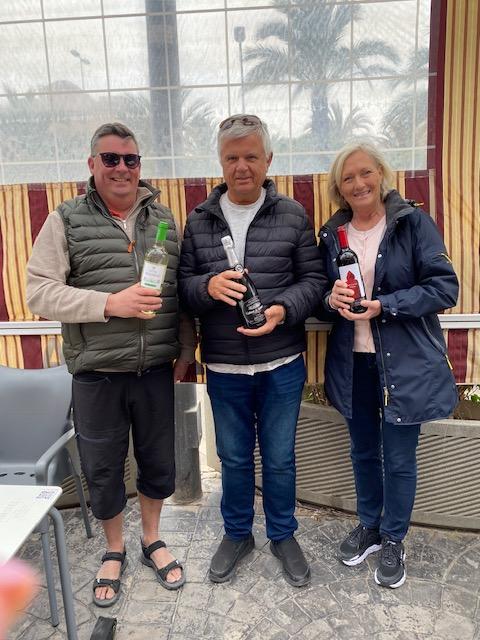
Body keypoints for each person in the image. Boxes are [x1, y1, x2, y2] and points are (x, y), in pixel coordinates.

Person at [26, 122, 196, 606]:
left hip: (155, 369)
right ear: (92, 164)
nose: (122, 167)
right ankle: (115, 547)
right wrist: (108, 304)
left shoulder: (163, 219)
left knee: (158, 460)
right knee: (103, 467)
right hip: (97, 373)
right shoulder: (65, 219)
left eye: (130, 159)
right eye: (111, 158)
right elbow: (39, 292)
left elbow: (178, 294)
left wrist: (186, 349)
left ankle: (152, 538)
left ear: (140, 165)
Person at [178, 114, 327, 587]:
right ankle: (238, 534)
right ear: (220, 162)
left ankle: (283, 534)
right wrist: (207, 286)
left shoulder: (292, 214)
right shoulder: (199, 220)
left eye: (250, 157)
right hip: (224, 365)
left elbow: (315, 281)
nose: (241, 166)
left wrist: (284, 309)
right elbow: (182, 289)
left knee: (280, 458)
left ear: (268, 160)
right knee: (235, 458)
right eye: (232, 158)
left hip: (281, 362)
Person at [318, 140, 459, 588]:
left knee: (398, 458)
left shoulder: (412, 223)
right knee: (362, 451)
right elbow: (321, 295)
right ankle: (370, 526)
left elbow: (445, 288)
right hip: (353, 362)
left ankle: (394, 537)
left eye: (365, 172)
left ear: (381, 174)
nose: (358, 183)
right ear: (339, 187)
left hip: (404, 364)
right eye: (348, 177)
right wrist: (330, 298)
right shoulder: (333, 234)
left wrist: (386, 305)